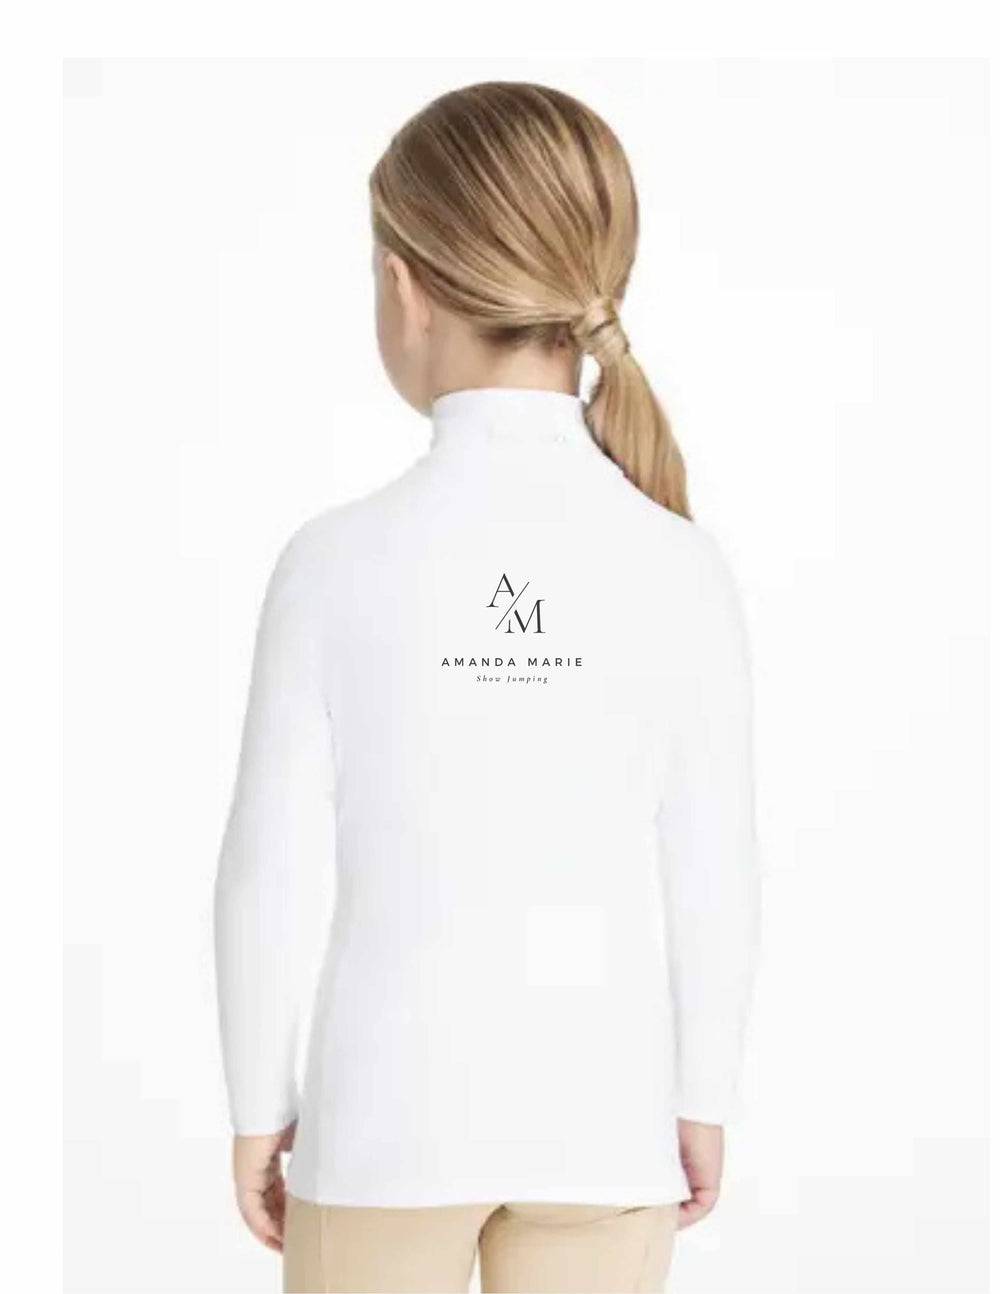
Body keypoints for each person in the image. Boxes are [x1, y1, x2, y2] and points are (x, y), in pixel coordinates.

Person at [214, 81, 761, 1294]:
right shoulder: (680, 561)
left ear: (403, 285)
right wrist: (701, 1093)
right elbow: (716, 863)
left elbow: (266, 868)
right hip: (606, 1120)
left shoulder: (333, 560)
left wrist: (258, 1104)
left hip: (381, 1126)